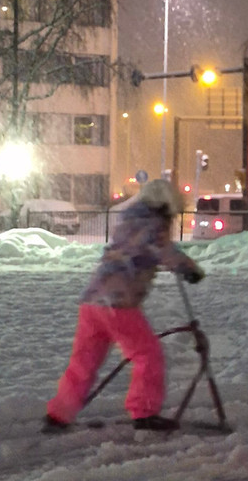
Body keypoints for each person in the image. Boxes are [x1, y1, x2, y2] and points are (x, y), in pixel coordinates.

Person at [44, 179, 205, 432]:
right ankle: (144, 412)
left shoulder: (128, 222)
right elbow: (166, 252)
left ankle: (59, 414)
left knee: (84, 362)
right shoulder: (153, 226)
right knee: (148, 354)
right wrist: (190, 269)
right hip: (119, 304)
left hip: (92, 302)